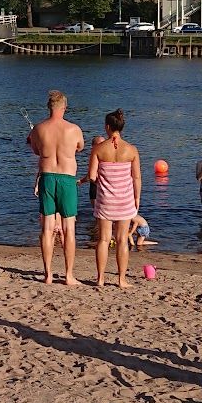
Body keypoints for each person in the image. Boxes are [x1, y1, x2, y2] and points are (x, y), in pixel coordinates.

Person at [26, 90, 85, 286]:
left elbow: (36, 150)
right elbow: (80, 147)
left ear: (48, 107)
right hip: (67, 179)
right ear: (64, 107)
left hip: (47, 178)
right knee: (69, 229)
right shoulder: (74, 129)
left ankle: (48, 274)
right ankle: (68, 275)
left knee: (47, 228)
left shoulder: (38, 129)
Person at [86, 109, 142, 288]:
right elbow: (136, 177)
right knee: (122, 240)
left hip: (105, 200)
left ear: (107, 127)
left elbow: (92, 176)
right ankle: (121, 280)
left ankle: (100, 278)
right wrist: (137, 197)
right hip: (125, 200)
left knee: (103, 239)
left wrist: (103, 180)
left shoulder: (98, 149)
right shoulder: (131, 150)